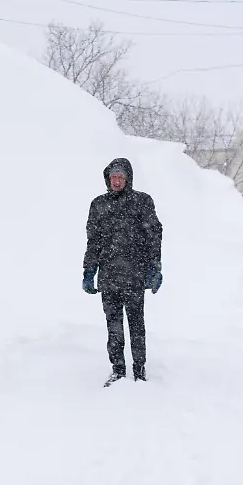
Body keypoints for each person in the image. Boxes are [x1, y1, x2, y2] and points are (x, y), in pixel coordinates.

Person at [82, 158, 164, 386]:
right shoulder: (98, 205)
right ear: (108, 178)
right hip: (109, 277)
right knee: (114, 326)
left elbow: (153, 236)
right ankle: (118, 370)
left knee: (137, 325)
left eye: (121, 176)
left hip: (135, 276)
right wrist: (89, 271)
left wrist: (155, 268)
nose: (116, 180)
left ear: (128, 178)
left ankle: (139, 370)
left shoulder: (142, 202)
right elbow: (93, 242)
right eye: (113, 177)